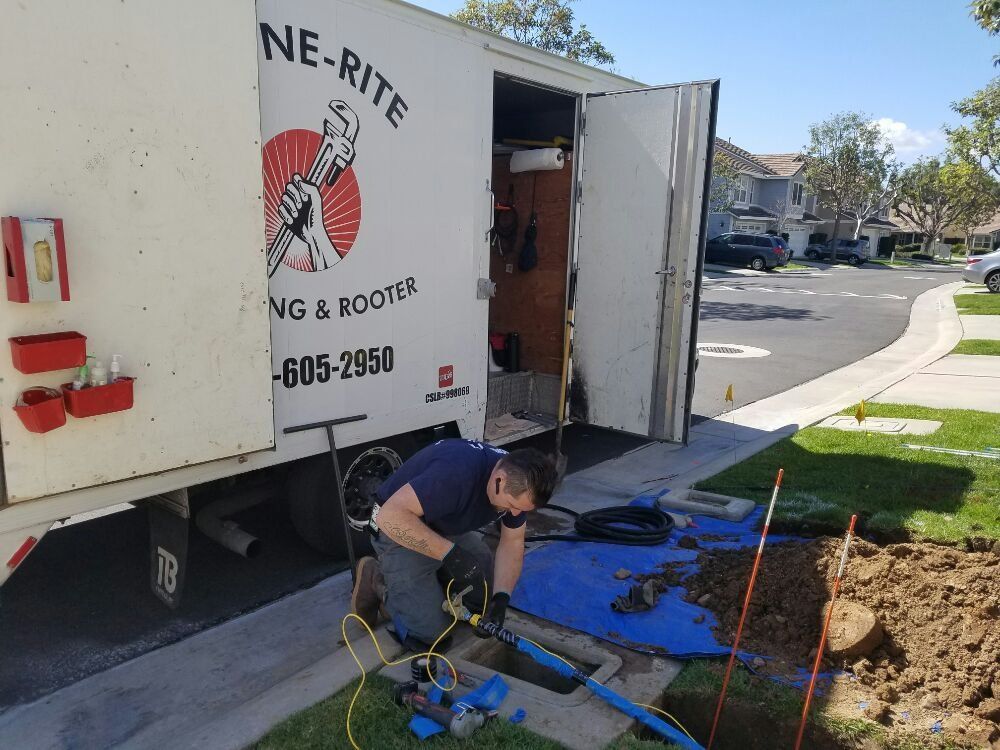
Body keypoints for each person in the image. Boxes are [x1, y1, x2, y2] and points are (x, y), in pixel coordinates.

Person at [350, 439, 558, 650]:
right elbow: (390, 517)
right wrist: (450, 555)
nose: (514, 514)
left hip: (441, 522)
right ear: (499, 480)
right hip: (396, 526)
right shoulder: (455, 474)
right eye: (512, 506)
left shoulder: (517, 475)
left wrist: (501, 599)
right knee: (431, 635)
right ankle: (377, 580)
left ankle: (418, 592)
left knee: (482, 602)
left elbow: (512, 541)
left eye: (521, 510)